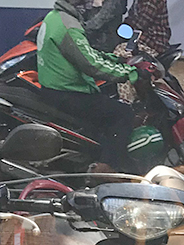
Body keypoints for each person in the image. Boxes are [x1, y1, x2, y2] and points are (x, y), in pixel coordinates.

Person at [36, 0, 141, 172]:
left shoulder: (54, 17)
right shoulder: (68, 26)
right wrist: (129, 73)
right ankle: (105, 168)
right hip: (68, 93)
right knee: (123, 113)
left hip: (55, 89)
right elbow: (91, 64)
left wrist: (114, 59)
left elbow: (86, 52)